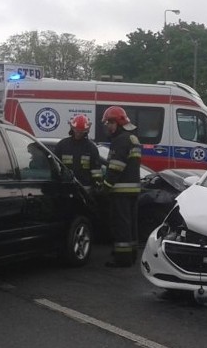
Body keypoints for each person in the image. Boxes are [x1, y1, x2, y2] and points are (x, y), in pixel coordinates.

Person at [102, 106, 142, 268]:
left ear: (118, 123)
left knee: (121, 225)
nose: (108, 127)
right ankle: (131, 254)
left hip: (121, 190)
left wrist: (105, 186)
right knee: (130, 224)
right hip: (132, 190)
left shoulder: (121, 140)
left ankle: (122, 259)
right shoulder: (132, 138)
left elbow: (116, 166)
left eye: (110, 123)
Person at [55, 114, 102, 188]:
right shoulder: (62, 145)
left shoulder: (91, 148)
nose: (78, 133)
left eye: (81, 131)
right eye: (77, 130)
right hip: (66, 186)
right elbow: (54, 164)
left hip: (85, 187)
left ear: (86, 131)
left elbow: (96, 170)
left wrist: (96, 184)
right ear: (72, 128)